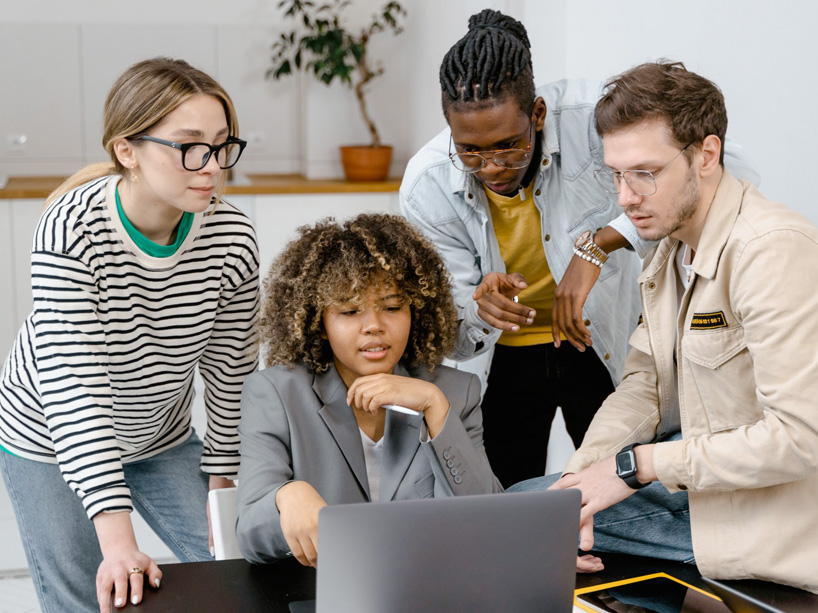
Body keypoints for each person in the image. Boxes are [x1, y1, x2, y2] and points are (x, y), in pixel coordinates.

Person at [399, 9, 758, 488]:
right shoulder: (427, 187)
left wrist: (600, 245)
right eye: (469, 150)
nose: (490, 167)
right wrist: (477, 307)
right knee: (505, 499)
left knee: (621, 490)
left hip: (601, 339)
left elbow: (730, 176)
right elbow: (454, 335)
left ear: (539, 114)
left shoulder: (597, 118)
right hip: (504, 360)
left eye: (508, 145)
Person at [510, 61, 818, 594]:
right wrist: (577, 480)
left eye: (645, 173)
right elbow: (646, 387)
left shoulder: (770, 249)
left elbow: (800, 439)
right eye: (615, 175)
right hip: (700, 486)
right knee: (534, 508)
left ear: (707, 155)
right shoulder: (669, 250)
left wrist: (637, 466)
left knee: (511, 522)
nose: (625, 198)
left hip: (763, 517)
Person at [0, 57, 259, 612]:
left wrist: (222, 485)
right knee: (89, 594)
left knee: (237, 572)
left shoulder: (232, 233)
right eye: (189, 145)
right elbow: (77, 391)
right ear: (127, 151)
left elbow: (231, 372)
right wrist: (118, 542)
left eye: (221, 145)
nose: (211, 166)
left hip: (157, 432)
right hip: (49, 432)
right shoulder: (72, 229)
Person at [235, 213, 503, 568]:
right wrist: (287, 495)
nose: (374, 326)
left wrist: (435, 408)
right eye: (349, 311)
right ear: (319, 322)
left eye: (392, 307)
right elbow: (251, 537)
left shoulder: (455, 392)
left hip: (429, 588)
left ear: (416, 311)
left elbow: (491, 524)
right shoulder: (276, 393)